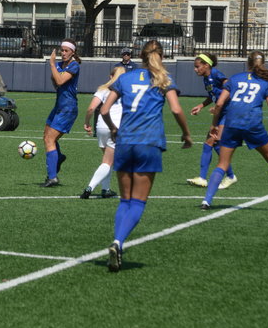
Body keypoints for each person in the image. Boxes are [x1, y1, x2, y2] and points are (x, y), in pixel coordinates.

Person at [100, 40, 192, 272]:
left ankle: (117, 242)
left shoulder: (125, 77)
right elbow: (176, 109)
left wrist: (113, 128)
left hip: (125, 141)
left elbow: (104, 109)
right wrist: (186, 134)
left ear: (140, 57)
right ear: (162, 56)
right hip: (149, 142)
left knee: (125, 200)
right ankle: (118, 242)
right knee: (138, 202)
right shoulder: (163, 79)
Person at [200, 51, 268, 213]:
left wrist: (214, 125)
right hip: (253, 125)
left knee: (222, 164)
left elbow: (219, 104)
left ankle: (206, 201)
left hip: (232, 124)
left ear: (247, 63)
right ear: (264, 63)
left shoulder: (235, 78)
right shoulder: (265, 83)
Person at [186, 53, 237, 189]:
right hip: (221, 112)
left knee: (214, 141)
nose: (195, 69)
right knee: (212, 142)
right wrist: (201, 105)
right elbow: (213, 96)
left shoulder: (215, 74)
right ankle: (206, 178)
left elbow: (229, 88)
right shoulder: (206, 79)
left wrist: (220, 104)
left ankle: (228, 176)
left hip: (229, 111)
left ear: (206, 65)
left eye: (197, 66)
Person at [80, 66, 125, 199]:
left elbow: (91, 108)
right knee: (108, 162)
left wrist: (87, 122)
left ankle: (106, 189)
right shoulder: (126, 90)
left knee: (107, 160)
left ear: (111, 76)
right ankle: (90, 187)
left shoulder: (103, 89)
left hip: (101, 126)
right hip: (115, 127)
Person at [42, 39, 80, 187]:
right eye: (61, 50)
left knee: (49, 140)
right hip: (59, 106)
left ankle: (52, 177)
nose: (63, 53)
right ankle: (59, 157)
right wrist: (54, 70)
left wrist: (52, 65)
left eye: (66, 51)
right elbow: (55, 83)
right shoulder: (59, 65)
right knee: (46, 136)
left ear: (73, 52)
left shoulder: (74, 65)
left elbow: (60, 81)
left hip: (68, 108)